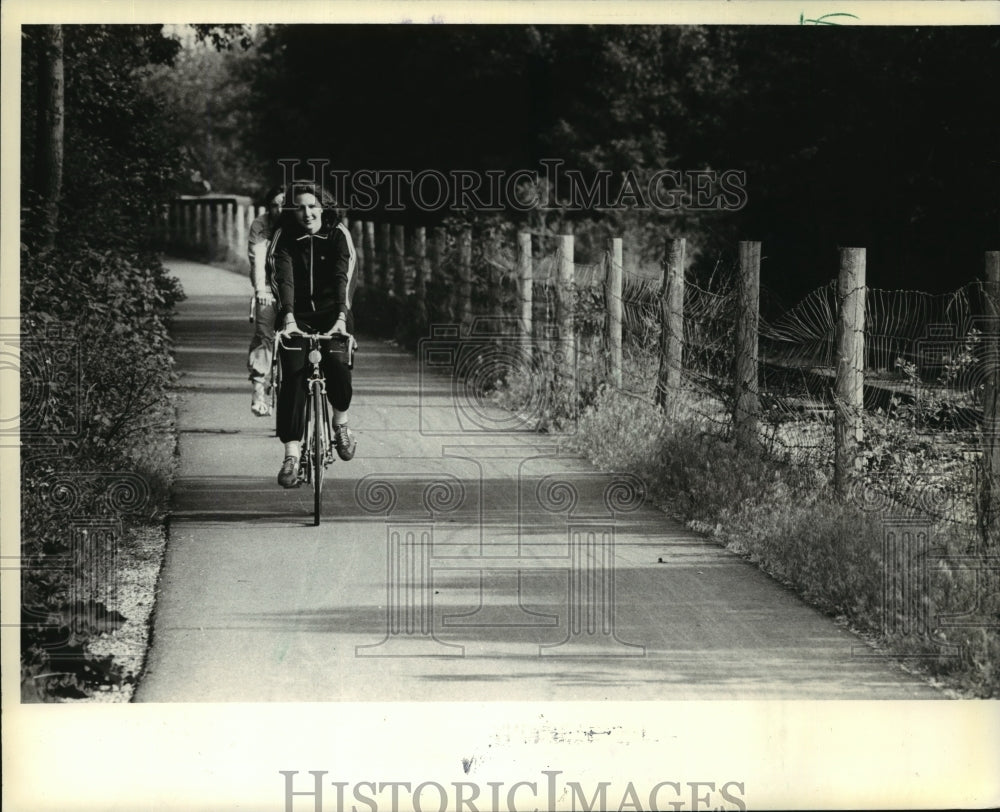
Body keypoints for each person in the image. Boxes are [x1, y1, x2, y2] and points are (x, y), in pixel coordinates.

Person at [273, 183, 358, 488]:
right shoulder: (284, 237)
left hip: (332, 313)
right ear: (292, 210)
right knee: (293, 379)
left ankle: (340, 424)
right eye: (300, 207)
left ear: (323, 207)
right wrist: (288, 317)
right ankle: (292, 455)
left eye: (312, 206)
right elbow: (282, 278)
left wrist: (339, 318)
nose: (307, 213)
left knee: (337, 367)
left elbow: (342, 276)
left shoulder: (337, 234)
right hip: (295, 317)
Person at [247, 186, 286, 416]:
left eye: (284, 204)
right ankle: (259, 390)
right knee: (264, 334)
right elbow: (257, 258)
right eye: (274, 205)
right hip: (268, 288)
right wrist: (261, 289)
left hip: (295, 290)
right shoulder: (260, 225)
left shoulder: (298, 222)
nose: (279, 209)